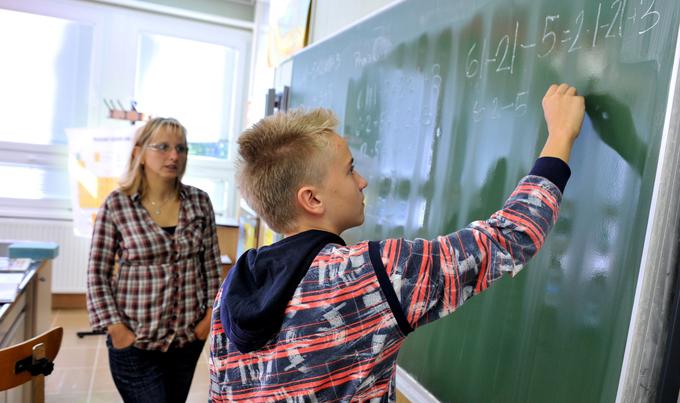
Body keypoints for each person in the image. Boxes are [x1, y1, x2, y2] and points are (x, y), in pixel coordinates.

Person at [208, 84, 585, 401]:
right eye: (350, 168)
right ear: (313, 199)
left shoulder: (235, 286)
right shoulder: (369, 273)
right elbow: (509, 237)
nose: (362, 181)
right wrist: (560, 136)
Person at [86, 117, 222, 403]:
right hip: (135, 342)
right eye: (162, 147)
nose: (174, 156)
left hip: (186, 339)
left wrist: (210, 316)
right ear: (139, 153)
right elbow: (97, 274)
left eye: (181, 148)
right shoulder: (117, 204)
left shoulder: (199, 202)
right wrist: (117, 329)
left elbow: (210, 264)